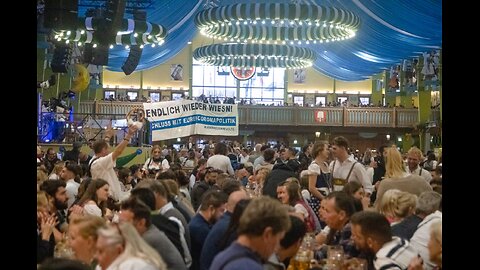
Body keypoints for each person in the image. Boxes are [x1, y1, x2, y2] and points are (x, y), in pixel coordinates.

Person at [209, 196, 291, 270]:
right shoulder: (248, 267)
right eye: (278, 239)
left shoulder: (223, 256)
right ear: (267, 234)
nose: (277, 248)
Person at [350, 211, 419, 270]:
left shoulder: (383, 261)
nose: (352, 238)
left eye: (357, 236)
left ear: (370, 242)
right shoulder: (401, 242)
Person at [89, 123, 138, 202]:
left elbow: (102, 145)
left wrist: (108, 136)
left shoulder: (94, 160)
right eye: (108, 149)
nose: (109, 151)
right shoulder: (99, 163)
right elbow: (118, 151)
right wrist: (128, 135)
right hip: (108, 200)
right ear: (103, 150)